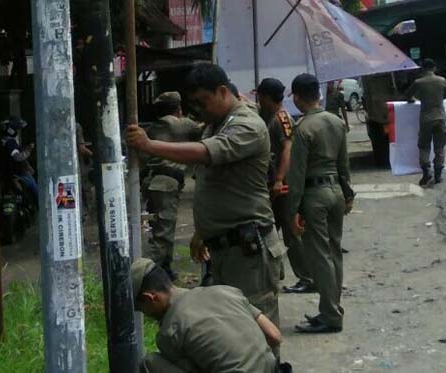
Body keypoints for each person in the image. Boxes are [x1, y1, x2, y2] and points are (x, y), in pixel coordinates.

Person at [127, 64, 286, 331]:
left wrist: (149, 145)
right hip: (225, 246)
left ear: (222, 91)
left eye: (203, 101)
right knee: (232, 328)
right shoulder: (217, 124)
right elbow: (215, 184)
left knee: (257, 329)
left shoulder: (247, 125)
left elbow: (206, 153)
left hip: (248, 249)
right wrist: (202, 232)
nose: (200, 109)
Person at [132, 258, 281, 373]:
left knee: (150, 362)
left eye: (141, 308)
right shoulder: (225, 291)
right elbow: (274, 336)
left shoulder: (169, 332)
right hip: (273, 369)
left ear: (150, 298)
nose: (145, 314)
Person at [286, 73, 352, 334]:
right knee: (334, 252)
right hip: (335, 191)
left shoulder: (303, 128)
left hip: (314, 197)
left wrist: (292, 211)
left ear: (297, 97)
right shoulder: (336, 122)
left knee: (320, 256)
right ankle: (331, 308)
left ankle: (331, 315)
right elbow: (343, 164)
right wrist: (348, 194)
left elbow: (297, 174)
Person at [256, 78, 315, 294]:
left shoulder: (281, 118)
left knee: (291, 232)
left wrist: (280, 178)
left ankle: (307, 278)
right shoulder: (270, 117)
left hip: (283, 186)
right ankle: (275, 273)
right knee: (272, 229)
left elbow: (287, 149)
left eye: (260, 97)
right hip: (274, 185)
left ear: (265, 97)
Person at [142, 92, 203, 280]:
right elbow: (204, 128)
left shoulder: (154, 127)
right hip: (166, 183)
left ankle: (165, 269)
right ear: (178, 109)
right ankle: (144, 275)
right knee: (163, 233)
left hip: (153, 182)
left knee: (162, 226)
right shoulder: (178, 123)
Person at [405, 58, 446, 187]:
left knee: (424, 146)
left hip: (426, 119)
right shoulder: (442, 81)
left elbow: (408, 95)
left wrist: (413, 99)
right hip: (440, 118)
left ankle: (426, 171)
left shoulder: (418, 82)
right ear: (434, 68)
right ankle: (437, 174)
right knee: (439, 147)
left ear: (422, 69)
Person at [0, 116, 37, 198]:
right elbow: (17, 157)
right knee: (36, 191)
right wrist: (28, 150)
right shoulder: (10, 142)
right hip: (18, 174)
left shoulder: (6, 141)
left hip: (10, 174)